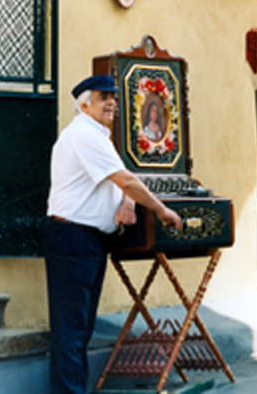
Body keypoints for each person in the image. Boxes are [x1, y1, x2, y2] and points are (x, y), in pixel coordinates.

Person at [43, 74, 182, 394]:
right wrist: (162, 210)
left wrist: (129, 204)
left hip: (86, 239)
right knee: (71, 331)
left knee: (80, 328)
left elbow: (123, 183)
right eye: (103, 96)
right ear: (84, 104)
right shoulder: (84, 135)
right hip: (72, 236)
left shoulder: (98, 135)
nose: (111, 103)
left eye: (114, 98)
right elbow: (128, 180)